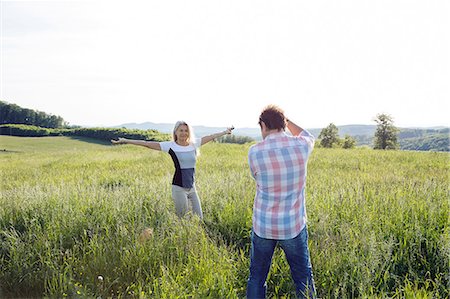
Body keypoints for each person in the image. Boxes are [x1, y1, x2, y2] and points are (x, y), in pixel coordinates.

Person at [246, 105, 316, 299]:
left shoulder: (254, 152)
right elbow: (309, 136)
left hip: (263, 225)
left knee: (257, 277)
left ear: (263, 125)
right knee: (303, 277)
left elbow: (256, 177)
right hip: (293, 225)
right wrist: (287, 121)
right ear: (284, 124)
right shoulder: (301, 146)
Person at [111, 121, 233, 219]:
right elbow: (146, 143)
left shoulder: (194, 144)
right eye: (181, 130)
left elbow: (211, 137)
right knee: (182, 218)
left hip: (192, 187)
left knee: (199, 218)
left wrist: (225, 132)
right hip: (178, 188)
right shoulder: (170, 146)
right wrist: (126, 140)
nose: (184, 133)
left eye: (186, 131)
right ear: (175, 132)